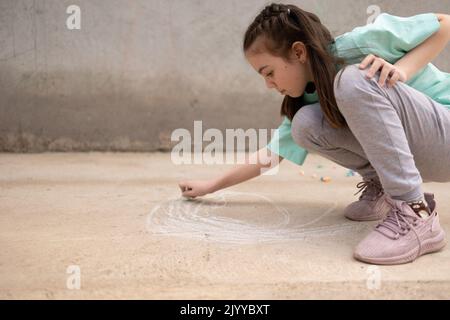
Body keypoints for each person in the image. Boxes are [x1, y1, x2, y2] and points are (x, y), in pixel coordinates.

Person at [179, 3, 450, 265]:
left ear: (298, 52)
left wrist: (402, 70)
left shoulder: (357, 46)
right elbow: (271, 155)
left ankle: (415, 211)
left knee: (354, 80)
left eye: (269, 72)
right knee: (305, 124)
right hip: (430, 153)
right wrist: (210, 186)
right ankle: (384, 189)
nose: (268, 85)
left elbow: (442, 23)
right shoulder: (308, 96)